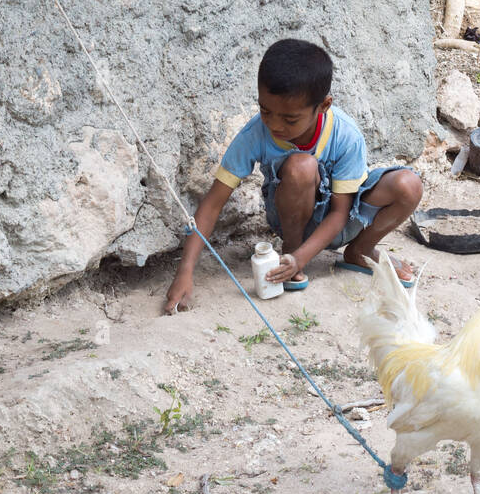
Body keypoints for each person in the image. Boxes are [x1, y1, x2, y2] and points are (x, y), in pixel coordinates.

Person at [164, 38, 424, 313]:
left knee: (409, 185)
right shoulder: (255, 135)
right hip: (291, 218)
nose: (275, 125)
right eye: (265, 111)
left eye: (289, 119)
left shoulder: (345, 134)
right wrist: (185, 270)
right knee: (302, 166)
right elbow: (213, 203)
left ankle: (360, 251)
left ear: (324, 105)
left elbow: (340, 213)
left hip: (342, 218)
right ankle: (290, 251)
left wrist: (303, 260)